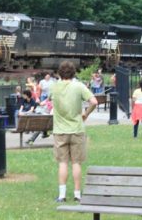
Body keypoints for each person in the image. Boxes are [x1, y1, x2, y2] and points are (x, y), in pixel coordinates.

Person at [51, 61, 98, 203]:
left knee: (63, 163)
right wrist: (86, 114)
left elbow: (46, 101)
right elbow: (94, 102)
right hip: (77, 129)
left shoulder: (54, 87)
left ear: (59, 73)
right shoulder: (79, 86)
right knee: (76, 163)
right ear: (73, 73)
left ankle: (62, 195)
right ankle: (77, 194)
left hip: (60, 131)